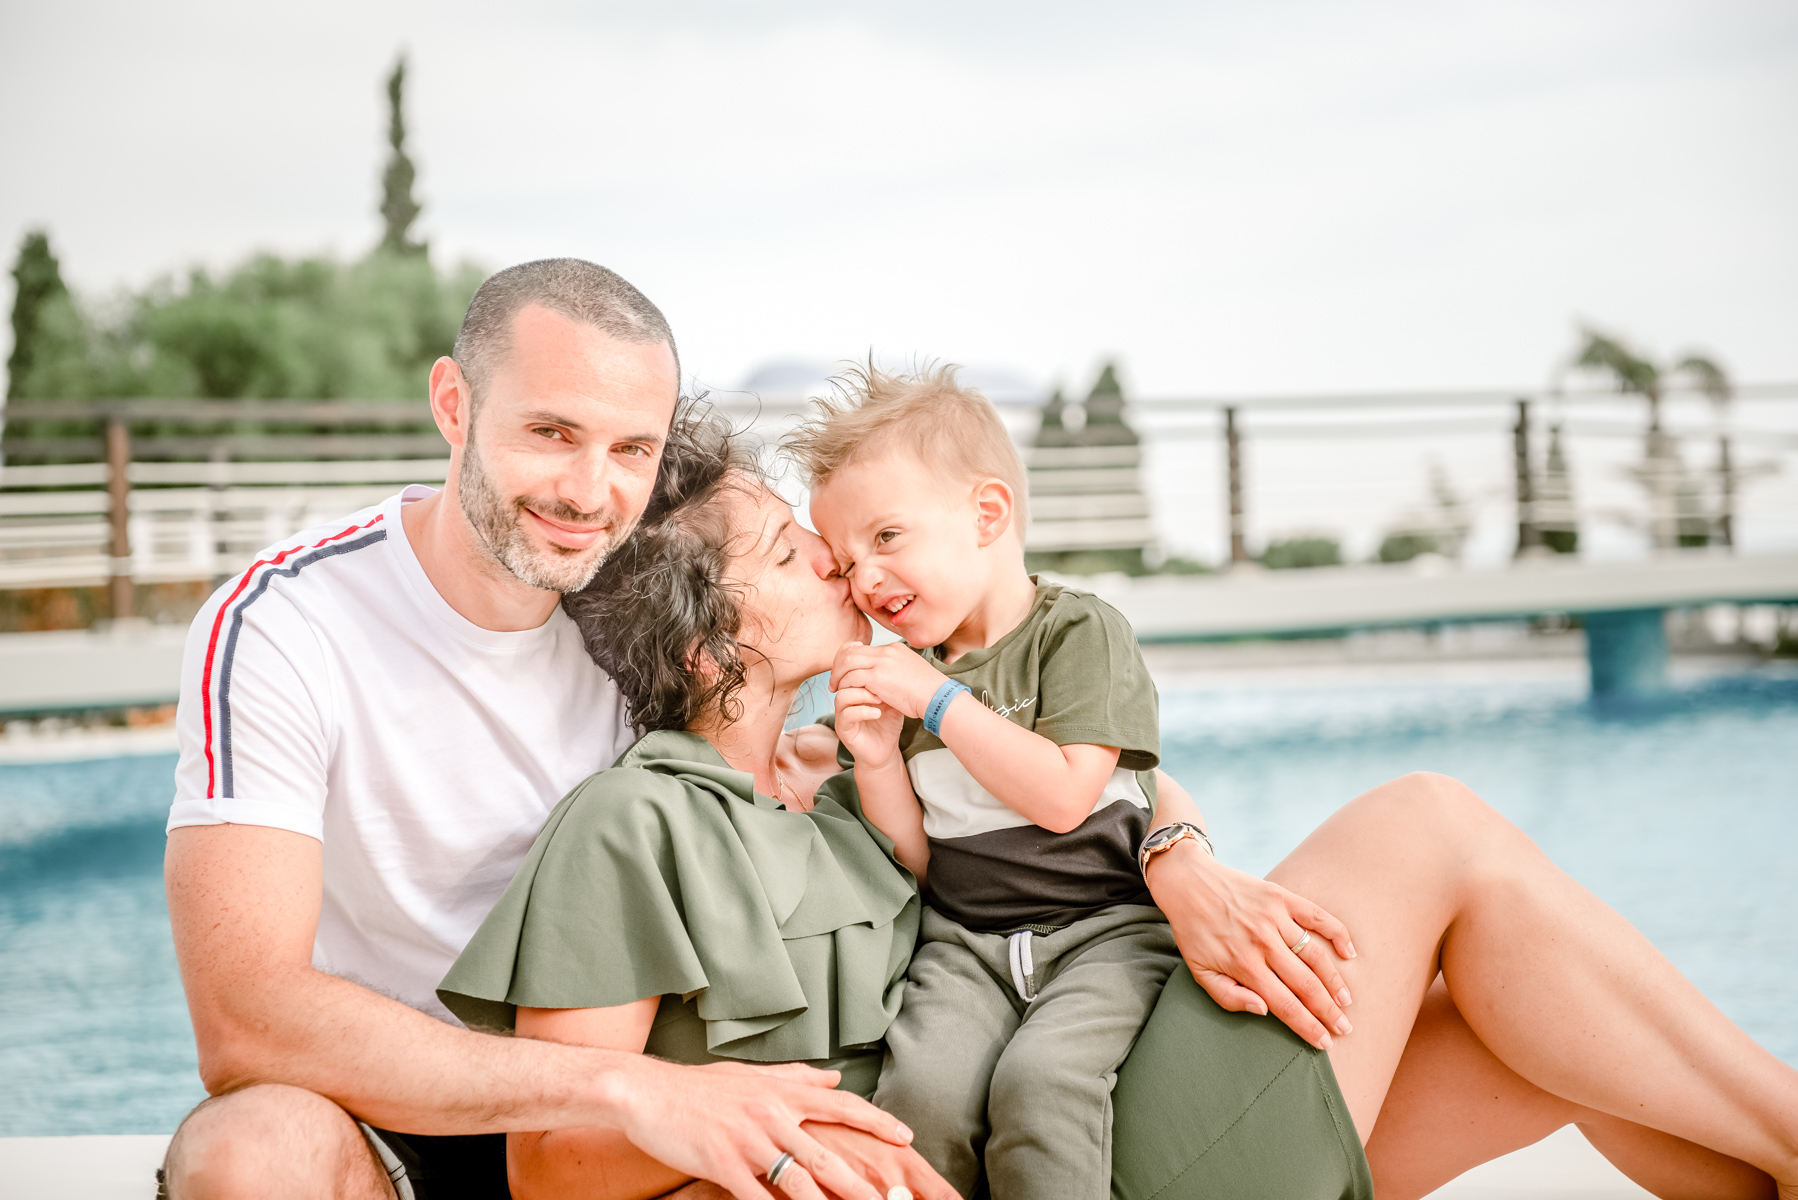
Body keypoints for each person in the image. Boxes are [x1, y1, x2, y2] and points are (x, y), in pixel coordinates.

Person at [452, 404, 1798, 1200]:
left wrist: (1178, 851)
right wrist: (770, 1119)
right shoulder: (634, 824)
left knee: (1530, 1032)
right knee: (1429, 828)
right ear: (709, 648)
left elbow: (1073, 789)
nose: (840, 564)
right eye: (792, 553)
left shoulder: (850, 778)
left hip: (1104, 1096)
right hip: (1065, 1167)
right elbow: (556, 1167)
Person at [158, 259, 915, 1200]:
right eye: (552, 432)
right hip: (392, 1106)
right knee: (249, 1150)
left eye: (631, 449)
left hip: (605, 1122)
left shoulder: (634, 609)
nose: (588, 491)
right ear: (454, 403)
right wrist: (623, 1089)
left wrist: (1149, 819)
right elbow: (243, 1021)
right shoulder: (288, 621)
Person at [788, 364, 1182, 1199]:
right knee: (918, 1099)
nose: (865, 582)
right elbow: (916, 858)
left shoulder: (1076, 631)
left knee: (1043, 1088)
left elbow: (1066, 795)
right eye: (848, 561)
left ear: (986, 515)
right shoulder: (912, 677)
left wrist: (935, 702)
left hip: (1104, 933)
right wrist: (876, 756)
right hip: (965, 945)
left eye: (887, 538)